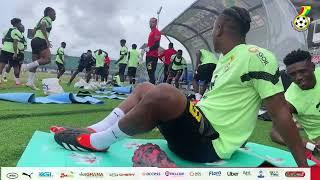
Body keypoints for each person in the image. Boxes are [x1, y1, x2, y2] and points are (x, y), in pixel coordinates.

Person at [52, 6, 307, 167]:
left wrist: (303, 168)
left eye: (214, 29)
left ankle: (100, 141)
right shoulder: (225, 60)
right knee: (144, 88)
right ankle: (93, 130)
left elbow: (280, 112)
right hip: (194, 130)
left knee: (163, 91)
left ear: (218, 29)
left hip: (209, 143)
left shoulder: (256, 55)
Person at [270, 50, 320, 159]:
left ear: (312, 67)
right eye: (292, 74)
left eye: (302, 71)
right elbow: (275, 133)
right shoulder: (290, 100)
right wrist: (308, 145)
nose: (298, 77)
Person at [23, 7, 56, 90]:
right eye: (54, 14)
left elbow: (34, 31)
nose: (55, 16)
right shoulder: (47, 19)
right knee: (47, 59)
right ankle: (26, 66)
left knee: (35, 63)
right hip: (40, 40)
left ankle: (30, 82)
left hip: (34, 41)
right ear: (49, 13)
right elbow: (43, 25)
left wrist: (38, 37)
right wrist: (47, 40)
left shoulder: (40, 20)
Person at [0, 18, 25, 85]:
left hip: (4, 49)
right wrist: (15, 53)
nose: (21, 24)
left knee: (1, 65)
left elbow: (3, 41)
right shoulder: (16, 31)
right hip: (12, 51)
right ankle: (17, 82)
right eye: (20, 23)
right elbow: (15, 42)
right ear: (17, 24)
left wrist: (6, 45)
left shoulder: (6, 30)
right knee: (16, 66)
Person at [145, 18, 161, 84]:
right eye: (150, 22)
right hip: (149, 55)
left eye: (152, 22)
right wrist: (146, 48)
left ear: (156, 23)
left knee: (150, 70)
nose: (150, 23)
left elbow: (157, 44)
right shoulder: (151, 32)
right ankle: (152, 85)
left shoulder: (157, 32)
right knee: (149, 71)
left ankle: (152, 86)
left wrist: (149, 48)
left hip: (152, 56)